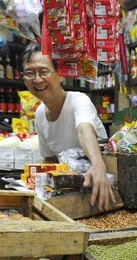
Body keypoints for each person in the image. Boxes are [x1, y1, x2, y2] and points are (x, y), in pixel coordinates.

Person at [21, 43, 116, 210]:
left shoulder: (78, 100)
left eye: (44, 71)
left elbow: (84, 130)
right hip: (71, 194)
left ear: (60, 75)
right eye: (30, 73)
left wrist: (97, 163)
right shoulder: (40, 114)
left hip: (103, 188)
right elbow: (49, 159)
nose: (37, 79)